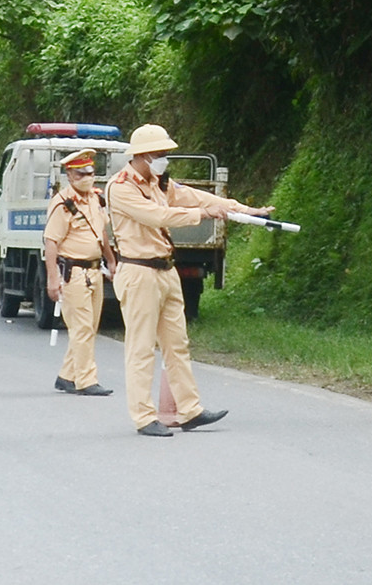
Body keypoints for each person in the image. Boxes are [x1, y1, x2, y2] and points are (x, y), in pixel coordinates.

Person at [107, 124, 274, 437]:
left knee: (177, 344)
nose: (164, 159)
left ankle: (189, 410)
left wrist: (244, 209)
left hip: (166, 270)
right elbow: (159, 216)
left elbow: (195, 197)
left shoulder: (159, 182)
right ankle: (144, 417)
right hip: (138, 271)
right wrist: (204, 215)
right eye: (160, 153)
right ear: (142, 155)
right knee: (141, 348)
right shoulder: (121, 187)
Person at [43, 149, 118, 396]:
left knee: (88, 327)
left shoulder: (94, 199)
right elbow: (51, 242)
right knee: (82, 328)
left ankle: (67, 376)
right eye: (81, 173)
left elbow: (101, 234)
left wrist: (111, 260)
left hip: (95, 271)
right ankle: (86, 381)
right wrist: (52, 279)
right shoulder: (63, 204)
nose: (87, 177)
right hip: (73, 273)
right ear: (70, 175)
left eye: (90, 172)